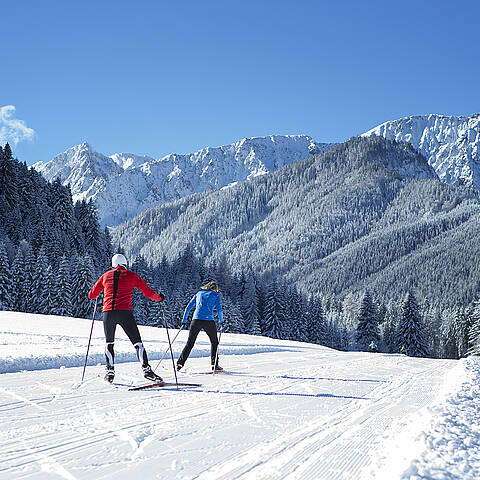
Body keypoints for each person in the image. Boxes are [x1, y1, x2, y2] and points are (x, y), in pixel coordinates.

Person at [88, 253, 165, 383]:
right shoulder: (132, 276)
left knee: (109, 343)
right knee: (137, 343)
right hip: (125, 313)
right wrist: (160, 298)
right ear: (125, 263)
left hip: (108, 313)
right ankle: (147, 370)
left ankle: (110, 372)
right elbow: (148, 292)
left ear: (113, 264)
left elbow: (91, 295)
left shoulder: (105, 276)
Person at [177, 281, 224, 372]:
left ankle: (180, 363)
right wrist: (221, 321)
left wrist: (184, 320)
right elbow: (219, 309)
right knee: (214, 342)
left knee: (190, 343)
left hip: (196, 320)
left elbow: (188, 307)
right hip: (209, 321)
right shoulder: (216, 295)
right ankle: (214, 365)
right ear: (215, 288)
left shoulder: (199, 294)